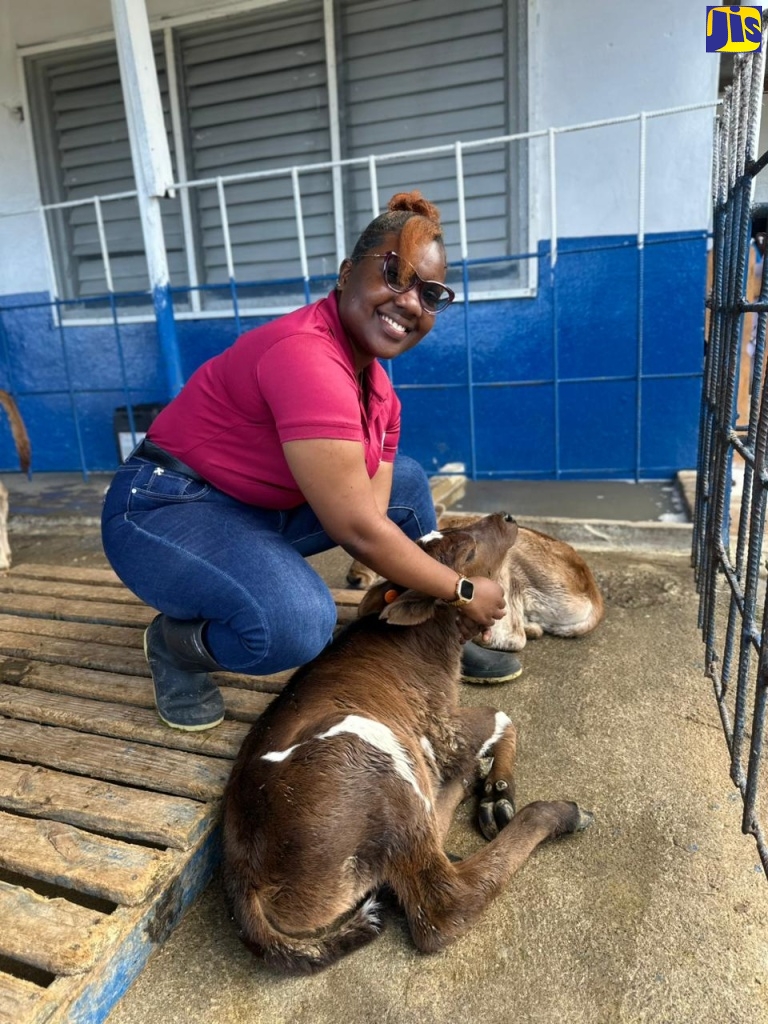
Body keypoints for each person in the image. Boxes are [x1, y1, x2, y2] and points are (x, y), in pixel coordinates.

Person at [101, 190, 522, 732]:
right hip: (162, 508)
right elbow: (357, 529)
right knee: (296, 624)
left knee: (408, 487)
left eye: (432, 294)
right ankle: (175, 646)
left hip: (252, 508)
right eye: (395, 274)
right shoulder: (306, 356)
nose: (412, 302)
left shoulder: (381, 396)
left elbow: (372, 517)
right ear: (347, 273)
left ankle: (425, 632)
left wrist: (440, 597)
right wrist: (463, 590)